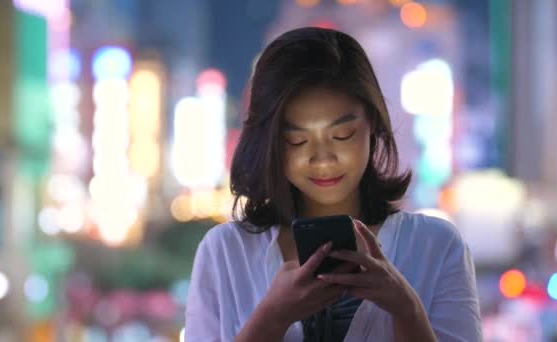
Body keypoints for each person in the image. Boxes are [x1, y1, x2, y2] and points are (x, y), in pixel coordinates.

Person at [184, 27, 482, 342]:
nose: (323, 159)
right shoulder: (226, 252)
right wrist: (272, 317)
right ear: (269, 143)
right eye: (296, 141)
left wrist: (406, 308)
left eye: (342, 135)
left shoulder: (436, 246)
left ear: (374, 124)